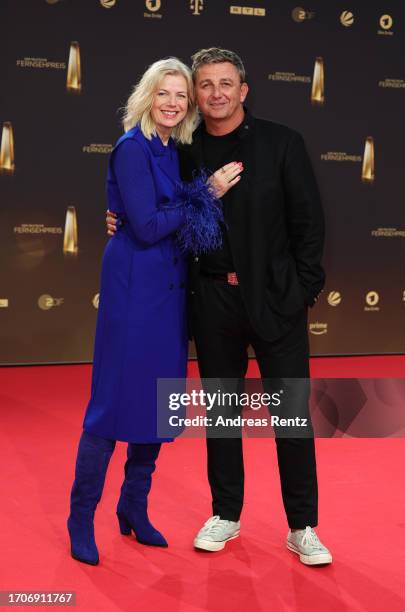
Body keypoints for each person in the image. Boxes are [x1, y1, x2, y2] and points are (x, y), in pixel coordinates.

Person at [107, 48, 332, 566]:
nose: (215, 94)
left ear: (244, 90)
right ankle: (226, 514)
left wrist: (300, 294)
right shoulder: (181, 151)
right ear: (195, 94)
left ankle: (303, 526)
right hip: (211, 301)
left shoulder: (281, 143)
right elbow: (154, 210)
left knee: (291, 419)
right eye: (204, 84)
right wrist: (118, 216)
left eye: (225, 83)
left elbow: (310, 227)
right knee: (224, 417)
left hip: (276, 303)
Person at [68, 57, 243, 566]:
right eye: (163, 93)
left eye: (180, 96)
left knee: (159, 406)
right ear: (147, 95)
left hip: (170, 295)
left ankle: (132, 507)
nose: (172, 103)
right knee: (111, 407)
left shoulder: (174, 149)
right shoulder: (131, 147)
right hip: (133, 292)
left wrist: (190, 200)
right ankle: (81, 518)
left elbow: (162, 215)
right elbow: (144, 226)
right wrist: (207, 195)